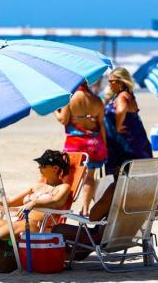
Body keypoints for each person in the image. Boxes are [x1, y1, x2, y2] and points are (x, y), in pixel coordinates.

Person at [55, 82, 107, 216]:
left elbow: (63, 119)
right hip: (93, 143)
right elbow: (101, 123)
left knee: (69, 176)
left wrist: (55, 109)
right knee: (90, 177)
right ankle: (85, 209)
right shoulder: (96, 100)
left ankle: (64, 207)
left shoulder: (70, 98)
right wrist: (105, 146)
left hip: (75, 143)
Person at [104, 67, 152, 176]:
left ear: (120, 82)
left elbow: (121, 110)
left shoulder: (121, 96)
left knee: (121, 178)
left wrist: (118, 125)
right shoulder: (128, 94)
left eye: (111, 81)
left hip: (125, 146)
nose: (109, 84)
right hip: (134, 142)